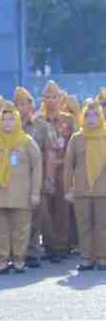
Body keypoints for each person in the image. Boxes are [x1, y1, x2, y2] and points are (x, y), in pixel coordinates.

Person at [0, 106, 41, 275]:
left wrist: (35, 192)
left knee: (21, 229)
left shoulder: (27, 142)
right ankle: (2, 262)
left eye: (11, 119)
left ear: (17, 121)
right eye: (4, 119)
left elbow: (37, 167)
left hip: (21, 195)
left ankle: (19, 261)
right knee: (0, 231)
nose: (7, 123)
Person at [14, 87, 54, 268]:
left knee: (37, 215)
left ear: (31, 105)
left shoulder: (42, 126)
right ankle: (18, 253)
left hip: (36, 178)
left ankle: (33, 251)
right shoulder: (8, 126)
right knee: (17, 217)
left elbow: (50, 153)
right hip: (15, 180)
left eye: (23, 104)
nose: (20, 108)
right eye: (17, 104)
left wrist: (49, 178)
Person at [63, 102, 106, 271]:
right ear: (82, 117)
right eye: (88, 115)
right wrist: (67, 189)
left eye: (95, 115)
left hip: (103, 191)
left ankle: (102, 258)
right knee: (84, 226)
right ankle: (87, 258)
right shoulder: (77, 138)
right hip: (81, 191)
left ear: (101, 116)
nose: (91, 119)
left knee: (103, 225)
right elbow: (68, 166)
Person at [36, 81, 71, 262]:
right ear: (42, 99)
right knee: (44, 210)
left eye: (55, 97)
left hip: (64, 172)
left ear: (61, 98)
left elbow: (75, 147)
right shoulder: (37, 121)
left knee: (62, 210)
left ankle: (62, 246)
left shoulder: (69, 120)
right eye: (47, 97)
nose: (51, 101)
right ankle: (49, 245)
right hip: (43, 172)